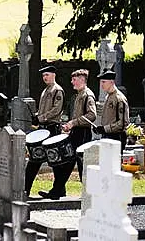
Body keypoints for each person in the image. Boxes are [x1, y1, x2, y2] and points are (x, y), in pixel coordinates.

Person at [39, 69, 96, 200]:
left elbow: (92, 115)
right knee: (67, 163)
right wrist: (70, 125)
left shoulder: (88, 95)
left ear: (82, 80)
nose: (72, 82)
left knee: (81, 164)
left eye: (74, 79)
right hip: (76, 132)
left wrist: (74, 122)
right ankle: (57, 191)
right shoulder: (79, 95)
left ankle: (87, 194)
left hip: (83, 134)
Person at [25, 65, 65, 198]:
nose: (45, 77)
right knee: (34, 160)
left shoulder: (57, 90)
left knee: (55, 162)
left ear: (53, 75)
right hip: (44, 128)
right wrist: (37, 116)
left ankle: (59, 190)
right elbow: (44, 109)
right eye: (43, 76)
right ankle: (25, 190)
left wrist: (40, 118)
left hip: (52, 128)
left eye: (47, 75)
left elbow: (56, 110)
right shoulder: (46, 90)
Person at [92, 70, 129, 151]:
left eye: (104, 82)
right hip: (107, 135)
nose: (101, 85)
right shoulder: (108, 96)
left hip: (116, 137)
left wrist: (105, 129)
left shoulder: (119, 98)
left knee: (114, 162)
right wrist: (100, 129)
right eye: (101, 82)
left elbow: (122, 123)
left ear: (112, 82)